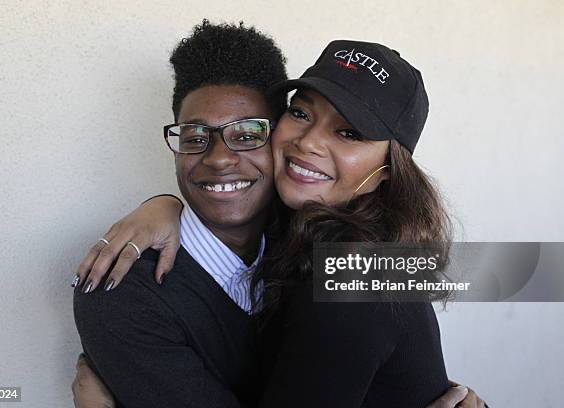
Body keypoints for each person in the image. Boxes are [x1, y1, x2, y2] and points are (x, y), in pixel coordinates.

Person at [72, 23, 487, 408]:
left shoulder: (352, 273)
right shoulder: (297, 228)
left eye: (248, 134)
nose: (308, 143)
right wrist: (164, 204)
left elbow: (522, 272)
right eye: (302, 114)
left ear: (388, 170)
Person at [73, 20, 287, 408]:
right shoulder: (123, 290)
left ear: (281, 140)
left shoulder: (308, 238)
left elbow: (424, 276)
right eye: (194, 137)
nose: (219, 158)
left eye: (247, 134)